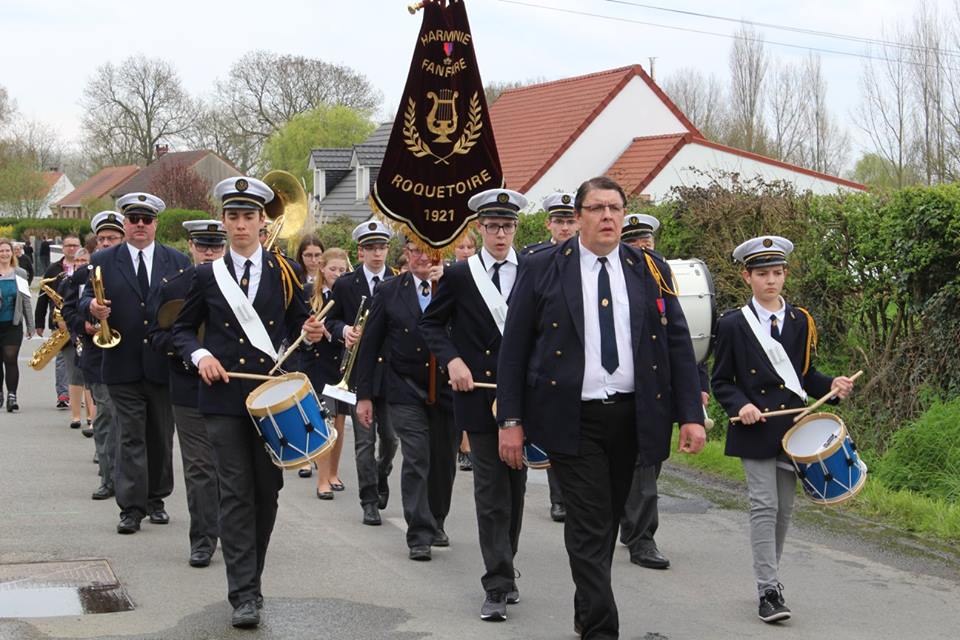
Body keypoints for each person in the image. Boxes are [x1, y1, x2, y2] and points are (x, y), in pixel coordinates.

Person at [496, 176, 706, 639]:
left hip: (633, 417)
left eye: (615, 208)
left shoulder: (649, 269)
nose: (607, 217)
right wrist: (510, 420)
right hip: (573, 418)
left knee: (607, 523)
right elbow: (513, 350)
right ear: (579, 217)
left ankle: (586, 607)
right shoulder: (544, 268)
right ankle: (601, 630)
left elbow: (676, 344)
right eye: (597, 208)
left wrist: (691, 414)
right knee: (590, 525)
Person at [171, 176, 327, 629]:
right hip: (221, 399)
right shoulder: (205, 275)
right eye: (233, 216)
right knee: (236, 493)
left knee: (267, 493)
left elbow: (303, 326)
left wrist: (314, 333)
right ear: (224, 221)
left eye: (249, 217)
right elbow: (180, 331)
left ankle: (252, 580)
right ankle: (243, 593)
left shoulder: (285, 271)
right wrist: (200, 356)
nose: (241, 225)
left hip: (269, 400)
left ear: (263, 221)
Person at [711, 235, 856, 624]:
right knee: (764, 505)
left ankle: (768, 579)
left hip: (793, 429)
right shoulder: (731, 324)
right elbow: (721, 380)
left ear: (785, 274)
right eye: (762, 274)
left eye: (777, 273)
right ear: (747, 276)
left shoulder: (800, 320)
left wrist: (833, 387)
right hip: (753, 428)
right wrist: (742, 405)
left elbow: (805, 377)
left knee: (784, 511)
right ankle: (768, 590)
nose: (770, 281)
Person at [420, 188, 527, 622]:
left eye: (507, 225)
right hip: (478, 396)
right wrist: (454, 360)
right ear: (478, 228)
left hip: (522, 397)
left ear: (516, 227)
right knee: (491, 491)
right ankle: (497, 582)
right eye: (492, 226)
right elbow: (431, 324)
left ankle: (507, 564)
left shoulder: (533, 269)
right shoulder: (462, 276)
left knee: (516, 488)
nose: (500, 234)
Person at [81, 192, 191, 535]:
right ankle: (131, 507)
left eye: (146, 219)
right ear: (125, 223)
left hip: (162, 362)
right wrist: (91, 309)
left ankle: (156, 499)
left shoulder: (177, 260)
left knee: (159, 435)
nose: (139, 225)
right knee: (130, 435)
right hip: (121, 360)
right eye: (133, 219)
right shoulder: (103, 259)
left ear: (156, 223)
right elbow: (84, 296)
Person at [615, 212, 711, 570]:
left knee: (647, 464)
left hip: (652, 387)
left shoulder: (660, 274)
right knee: (627, 467)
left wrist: (693, 401)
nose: (643, 249)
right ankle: (635, 532)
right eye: (635, 242)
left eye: (647, 242)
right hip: (610, 390)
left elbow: (683, 338)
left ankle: (638, 533)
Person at [356, 238, 455, 561]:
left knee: (443, 460)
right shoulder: (388, 290)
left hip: (447, 388)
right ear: (405, 254)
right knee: (416, 457)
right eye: (414, 250)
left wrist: (446, 285)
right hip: (404, 388)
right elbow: (369, 345)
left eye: (428, 251)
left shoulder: (455, 284)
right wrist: (365, 396)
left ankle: (437, 518)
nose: (421, 257)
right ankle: (419, 532)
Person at [148, 220, 227, 569]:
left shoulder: (240, 285)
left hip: (231, 386)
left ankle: (230, 528)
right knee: (199, 467)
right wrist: (188, 351)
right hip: (188, 385)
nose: (209, 252)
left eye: (215, 246)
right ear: (191, 246)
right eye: (203, 245)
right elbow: (156, 335)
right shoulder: (174, 285)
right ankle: (203, 539)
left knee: (230, 465)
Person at [325, 220, 399, 526]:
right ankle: (368, 499)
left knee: (392, 439)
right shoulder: (346, 284)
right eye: (371, 248)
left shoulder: (399, 280)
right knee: (364, 441)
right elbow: (330, 320)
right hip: (358, 373)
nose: (377, 254)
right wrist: (344, 331)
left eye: (381, 247)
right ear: (361, 251)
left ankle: (382, 473)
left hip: (392, 373)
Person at [520, 192, 582, 524]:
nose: (565, 227)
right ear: (549, 224)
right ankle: (559, 498)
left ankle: (575, 495)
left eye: (570, 221)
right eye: (559, 221)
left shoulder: (588, 258)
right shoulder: (534, 257)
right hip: (547, 354)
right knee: (556, 429)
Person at [61, 211, 125, 499]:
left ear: (122, 240)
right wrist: (83, 325)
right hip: (97, 353)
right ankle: (108, 477)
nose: (107, 243)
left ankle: (131, 476)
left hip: (128, 353)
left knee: (128, 418)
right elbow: (68, 310)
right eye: (102, 239)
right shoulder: (84, 275)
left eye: (112, 238)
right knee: (105, 413)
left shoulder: (132, 271)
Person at [298, 247, 350, 499]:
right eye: (333, 269)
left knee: (339, 423)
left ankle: (333, 472)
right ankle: (322, 480)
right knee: (323, 421)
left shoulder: (349, 294)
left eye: (342, 270)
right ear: (322, 269)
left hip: (340, 365)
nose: (337, 274)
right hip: (315, 364)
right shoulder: (309, 294)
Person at [293, 234, 326, 479]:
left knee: (322, 407)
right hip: (300, 351)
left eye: (317, 255)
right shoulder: (295, 280)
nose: (313, 260)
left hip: (324, 352)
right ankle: (304, 456)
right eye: (308, 255)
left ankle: (320, 455)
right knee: (302, 404)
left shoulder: (331, 281)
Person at [36, 232, 81, 409]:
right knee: (62, 358)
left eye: (75, 245)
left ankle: (81, 391)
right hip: (60, 321)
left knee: (81, 357)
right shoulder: (54, 269)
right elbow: (42, 297)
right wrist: (39, 323)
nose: (72, 248)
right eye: (68, 245)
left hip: (81, 320)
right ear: (63, 248)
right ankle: (63, 394)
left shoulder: (86, 265)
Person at [58, 249, 96, 434]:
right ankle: (80, 417)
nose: (80, 262)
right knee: (78, 375)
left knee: (93, 382)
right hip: (79, 333)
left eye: (84, 259)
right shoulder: (73, 278)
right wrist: (81, 325)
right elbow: (66, 306)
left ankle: (92, 419)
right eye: (78, 259)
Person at [451, 231, 478, 472]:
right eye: (461, 247)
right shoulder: (450, 274)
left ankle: (467, 446)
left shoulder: (479, 274)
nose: (466, 251)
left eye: (470, 247)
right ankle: (459, 443)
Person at [0, 238, 34, 412]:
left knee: (10, 359)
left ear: (12, 253)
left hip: (13, 323)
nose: (4, 254)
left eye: (7, 251)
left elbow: (26, 300)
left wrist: (31, 325)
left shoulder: (19, 273)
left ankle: (12, 395)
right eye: (1, 251)